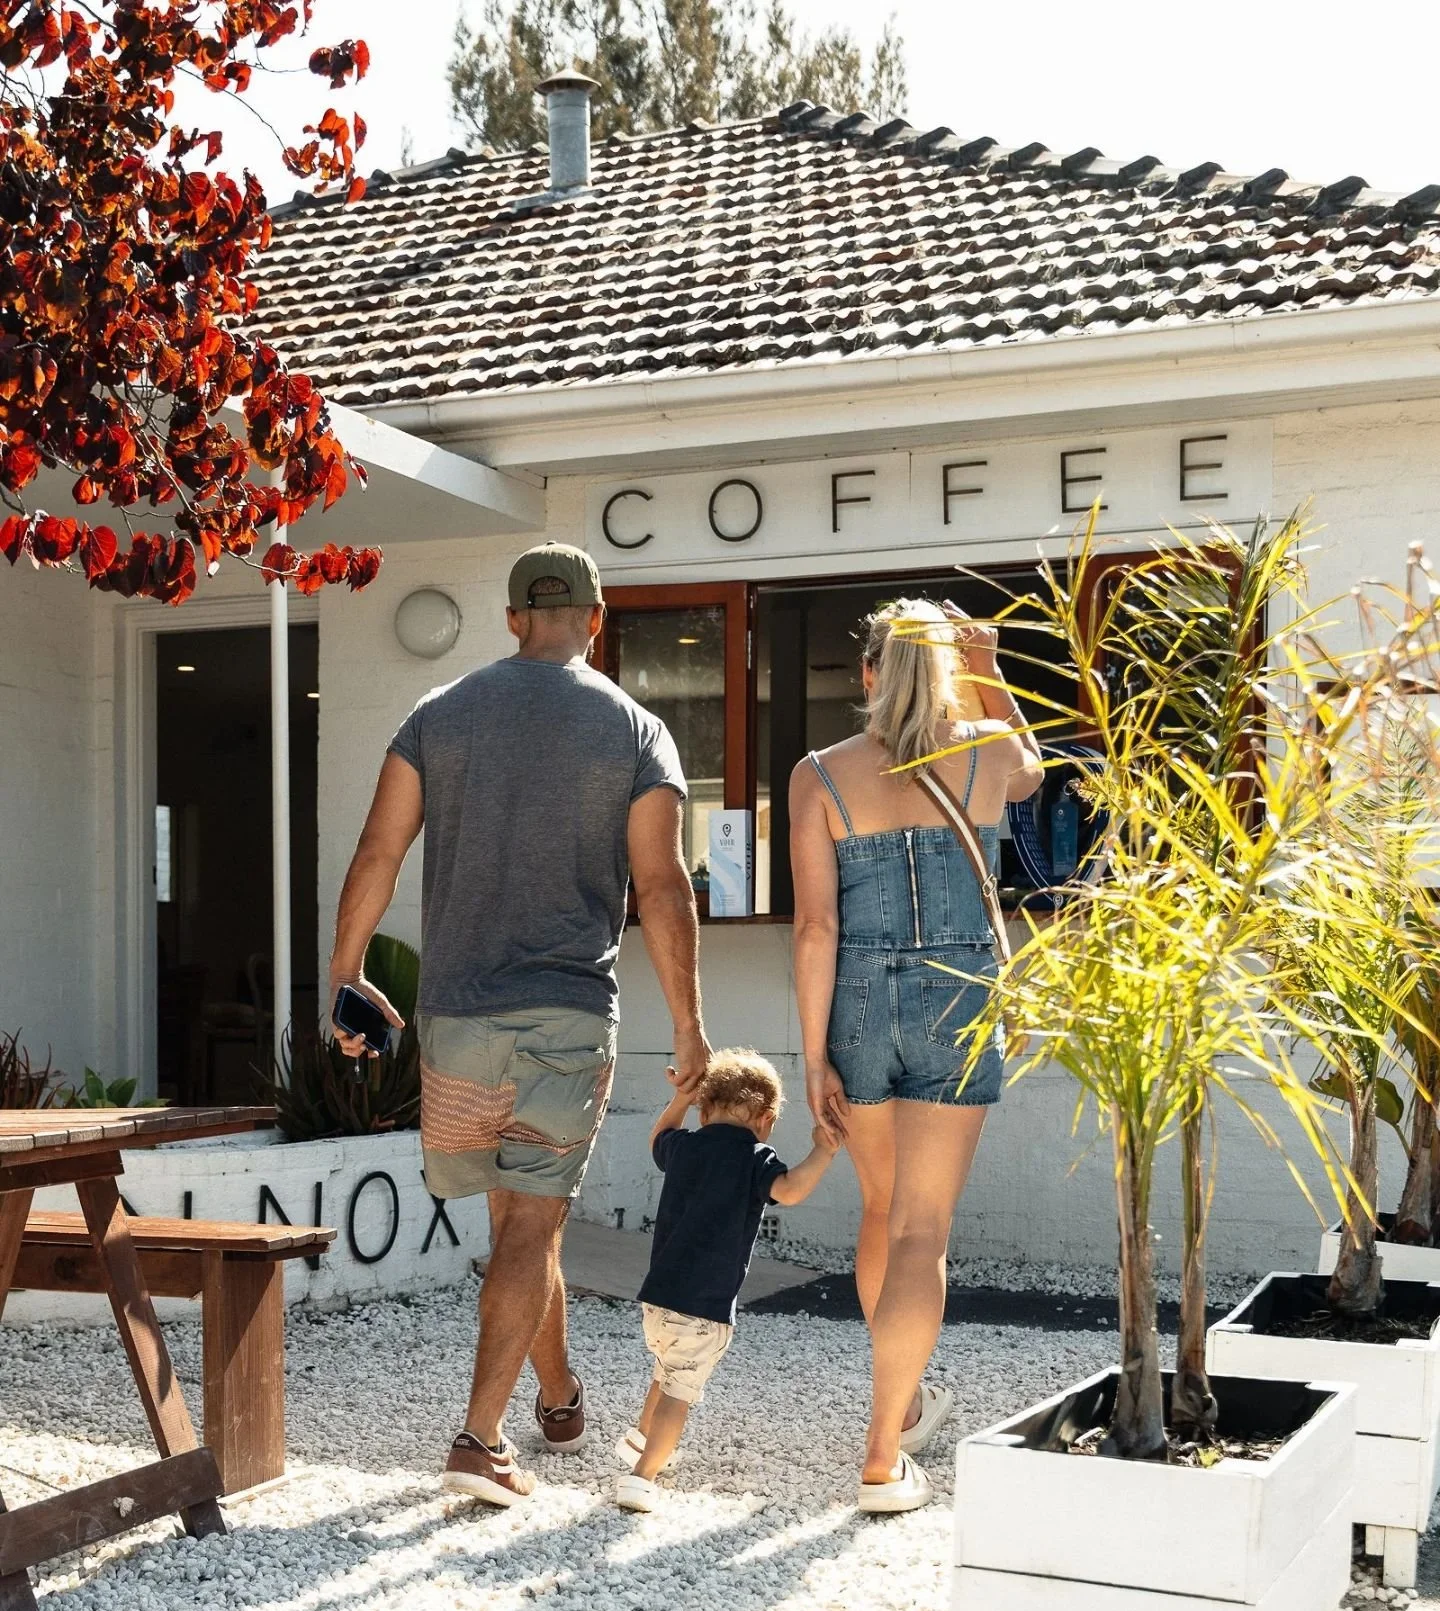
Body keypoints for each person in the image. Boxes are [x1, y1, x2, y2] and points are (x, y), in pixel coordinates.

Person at [330, 542, 711, 1507]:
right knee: (534, 1221)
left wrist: (342, 978)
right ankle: (477, 1439)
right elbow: (662, 889)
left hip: (456, 1016)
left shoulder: (438, 716)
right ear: (596, 616)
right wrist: (691, 1027)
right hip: (564, 1015)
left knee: (514, 1225)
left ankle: (557, 1399)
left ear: (511, 618)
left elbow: (377, 849)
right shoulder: (635, 729)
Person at [789, 599, 1043, 1513]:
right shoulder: (983, 749)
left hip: (858, 1001)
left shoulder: (817, 774)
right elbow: (1033, 769)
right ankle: (881, 1449)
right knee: (923, 1233)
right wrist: (985, 662)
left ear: (865, 673)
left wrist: (812, 1053)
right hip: (958, 994)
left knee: (883, 1209)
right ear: (946, 671)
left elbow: (817, 926)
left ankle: (896, 1411)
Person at [612, 1051, 838, 1512]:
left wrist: (677, 1099)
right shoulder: (756, 1157)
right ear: (766, 1119)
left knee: (666, 1371)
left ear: (703, 1108)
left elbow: (660, 1138)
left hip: (656, 1300)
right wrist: (825, 1150)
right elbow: (790, 1191)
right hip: (705, 1306)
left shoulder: (686, 1146)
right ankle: (642, 1477)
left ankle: (642, 1440)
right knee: (680, 1391)